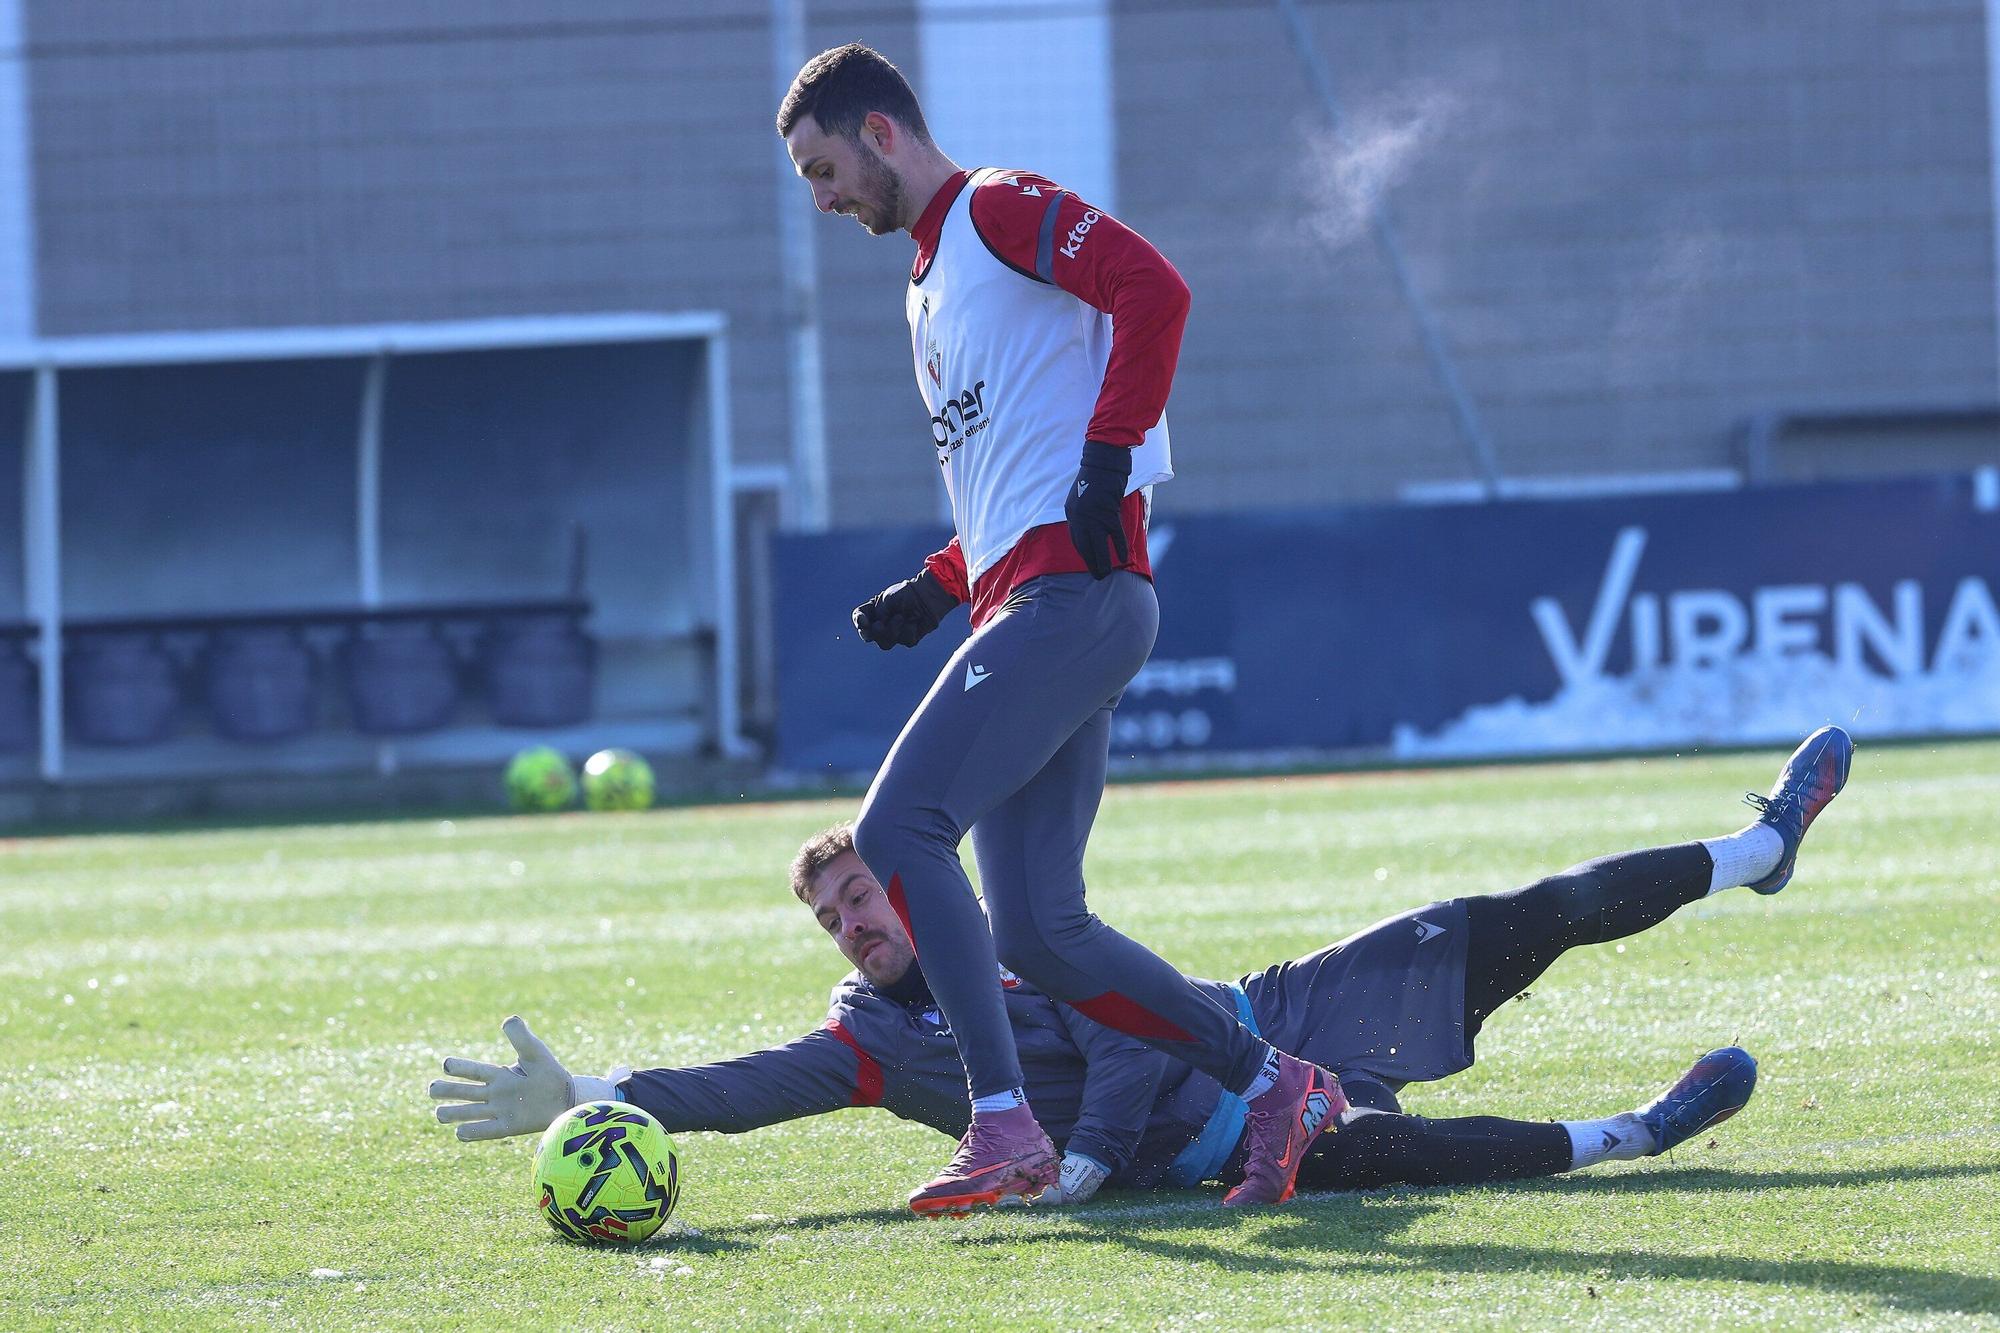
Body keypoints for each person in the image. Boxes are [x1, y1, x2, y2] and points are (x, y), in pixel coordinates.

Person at [428, 728, 1851, 1206]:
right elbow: (743, 1089)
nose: (859, 924)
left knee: (1517, 913)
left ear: (915, 882)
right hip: (1223, 1145)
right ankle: (1637, 1135)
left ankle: (1756, 849)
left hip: (1262, 1026)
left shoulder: (1015, 936)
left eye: (868, 893)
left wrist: (1095, 1158)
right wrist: (603, 1091)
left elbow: (1125, 1036)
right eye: (837, 918)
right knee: (1383, 1165)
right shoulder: (870, 1041)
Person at [773, 41, 1340, 1212]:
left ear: (880, 132)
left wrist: (1108, 450)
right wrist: (938, 584)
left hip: (1072, 599)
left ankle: (1001, 1126)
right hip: (1027, 600)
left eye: (824, 169)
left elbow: (1154, 289)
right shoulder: (926, 283)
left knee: (896, 829)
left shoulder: (997, 207)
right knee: (1034, 927)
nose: (823, 200)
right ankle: (1276, 1082)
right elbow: (1007, 476)